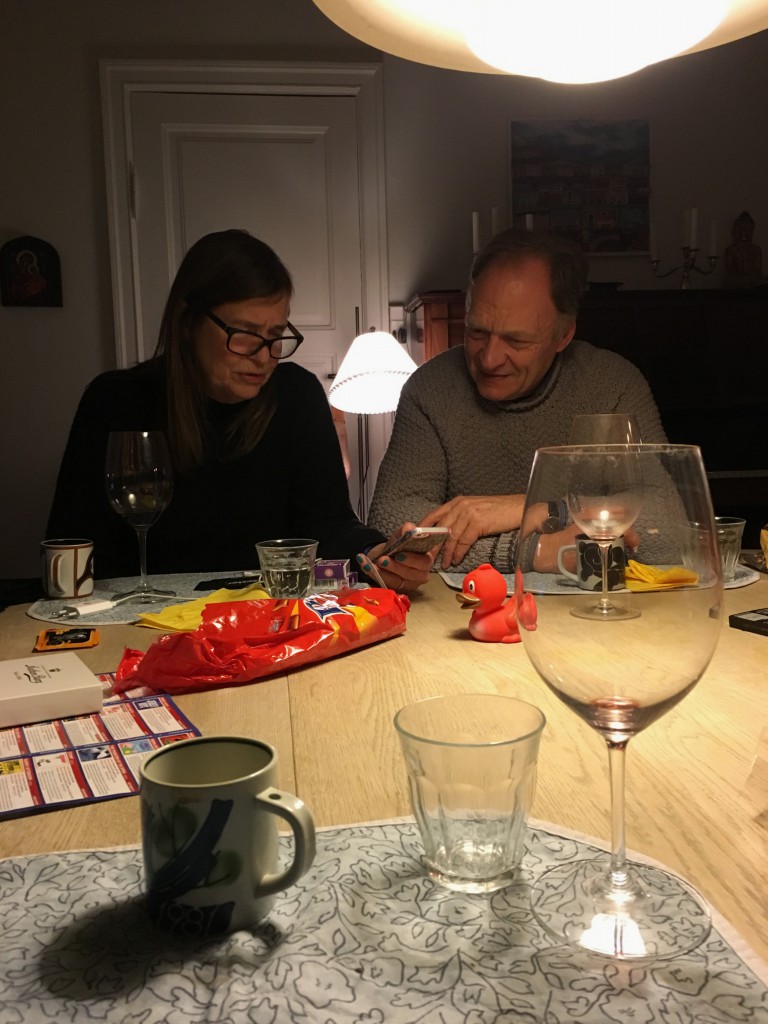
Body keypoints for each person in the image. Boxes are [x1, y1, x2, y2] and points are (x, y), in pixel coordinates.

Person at [47, 229, 431, 591]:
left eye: (276, 336)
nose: (264, 356)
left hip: (264, 622)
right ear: (187, 322)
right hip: (141, 623)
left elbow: (329, 523)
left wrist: (378, 554)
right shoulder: (114, 401)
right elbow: (72, 548)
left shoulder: (296, 396)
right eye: (245, 334)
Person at [368, 229, 667, 575]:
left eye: (516, 340)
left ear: (564, 335)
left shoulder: (613, 386)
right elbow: (392, 527)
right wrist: (533, 551)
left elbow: (666, 529)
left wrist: (533, 509)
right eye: (476, 331)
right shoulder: (430, 389)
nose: (490, 358)